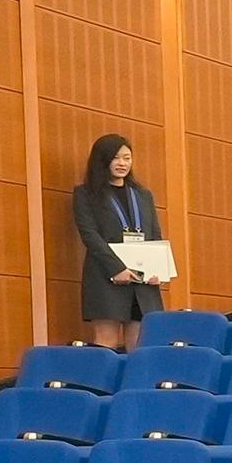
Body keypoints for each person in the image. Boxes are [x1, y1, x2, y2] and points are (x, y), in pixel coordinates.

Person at [70, 133, 165, 351]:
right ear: (102, 160)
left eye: (127, 158)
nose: (122, 163)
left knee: (141, 344)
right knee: (107, 341)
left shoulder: (143, 195)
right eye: (116, 158)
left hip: (142, 281)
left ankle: (134, 385)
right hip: (106, 276)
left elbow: (154, 234)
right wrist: (117, 268)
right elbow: (90, 235)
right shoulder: (86, 194)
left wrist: (157, 269)